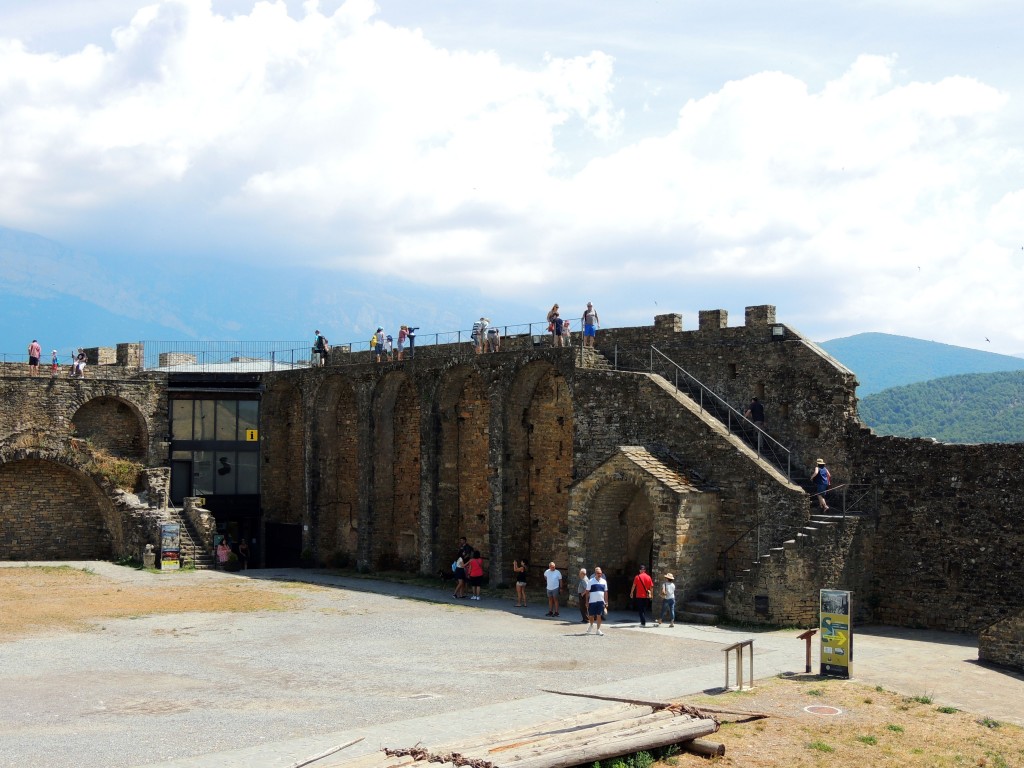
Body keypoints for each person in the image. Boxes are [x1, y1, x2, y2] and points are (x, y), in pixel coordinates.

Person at [584, 566, 609, 635]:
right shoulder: (591, 581)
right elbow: (587, 591)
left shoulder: (604, 581)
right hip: (592, 601)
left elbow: (606, 592)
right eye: (598, 573)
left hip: (601, 601)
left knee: (599, 615)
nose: (599, 574)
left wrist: (606, 602)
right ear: (595, 573)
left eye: (600, 573)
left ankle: (598, 630)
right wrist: (587, 601)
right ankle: (591, 625)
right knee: (591, 616)